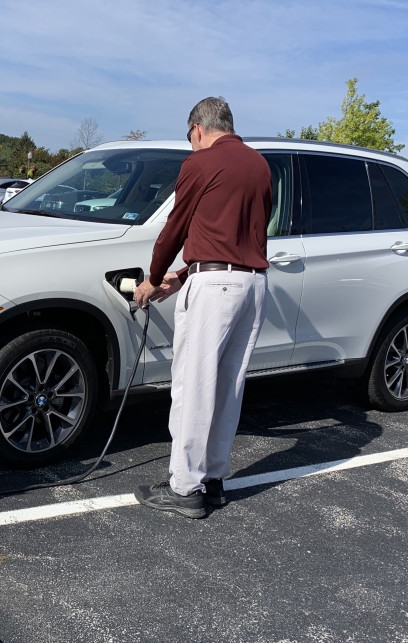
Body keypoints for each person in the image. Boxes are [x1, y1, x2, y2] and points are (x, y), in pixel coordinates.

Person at [132, 97, 272, 519]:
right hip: (253, 284)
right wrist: (187, 272)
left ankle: (184, 488)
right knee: (226, 386)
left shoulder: (201, 162)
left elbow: (175, 227)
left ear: (197, 128)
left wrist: (155, 278)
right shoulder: (259, 165)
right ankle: (211, 480)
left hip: (215, 288)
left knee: (193, 386)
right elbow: (233, 232)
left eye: (189, 136)